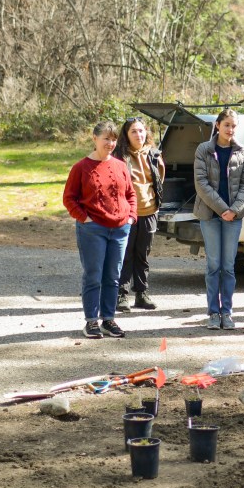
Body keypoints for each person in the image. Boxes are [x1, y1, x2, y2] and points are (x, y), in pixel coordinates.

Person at [63, 121, 136, 339]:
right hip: (93, 229)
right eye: (106, 138)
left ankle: (108, 318)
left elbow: (131, 194)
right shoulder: (81, 167)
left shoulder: (121, 166)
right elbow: (69, 198)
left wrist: (131, 217)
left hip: (120, 228)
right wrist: (84, 218)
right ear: (94, 138)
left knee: (113, 276)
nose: (110, 143)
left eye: (113, 139)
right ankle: (91, 321)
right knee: (93, 275)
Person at [193, 108, 244, 330]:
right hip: (210, 215)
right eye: (226, 124)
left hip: (233, 217)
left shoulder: (242, 151)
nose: (230, 129)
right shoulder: (204, 150)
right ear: (217, 125)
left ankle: (227, 312)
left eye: (234, 125)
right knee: (213, 266)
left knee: (228, 267)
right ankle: (213, 313)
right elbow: (201, 184)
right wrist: (221, 209)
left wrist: (234, 210)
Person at [112, 117, 165, 313]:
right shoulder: (119, 156)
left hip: (150, 211)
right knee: (125, 254)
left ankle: (142, 294)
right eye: (134, 131)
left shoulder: (154, 154)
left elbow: (160, 179)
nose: (139, 135)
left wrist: (156, 203)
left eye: (141, 131)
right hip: (127, 212)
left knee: (143, 254)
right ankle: (121, 294)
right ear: (126, 135)